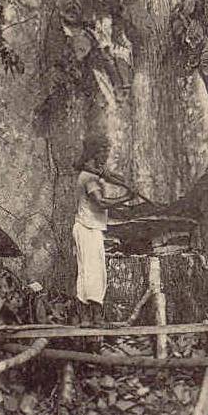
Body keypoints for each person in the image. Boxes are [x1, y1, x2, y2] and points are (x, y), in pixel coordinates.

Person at [72, 132, 133, 327]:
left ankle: (88, 317)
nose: (107, 153)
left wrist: (123, 182)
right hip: (86, 227)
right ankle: (92, 316)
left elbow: (111, 176)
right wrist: (127, 197)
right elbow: (101, 203)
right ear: (94, 152)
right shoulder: (89, 177)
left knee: (91, 272)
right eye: (103, 150)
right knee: (92, 272)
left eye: (107, 149)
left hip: (89, 227)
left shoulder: (95, 172)